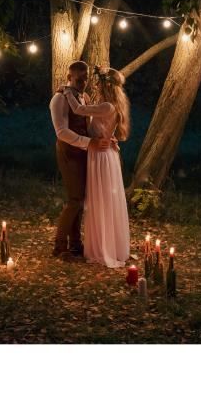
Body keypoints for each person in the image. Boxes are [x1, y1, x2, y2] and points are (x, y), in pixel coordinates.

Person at [61, 65, 130, 268]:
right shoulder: (109, 106)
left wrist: (66, 91)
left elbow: (78, 109)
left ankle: (103, 247)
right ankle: (106, 244)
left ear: (105, 86)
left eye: (98, 83)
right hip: (102, 153)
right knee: (102, 199)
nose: (96, 86)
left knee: (101, 200)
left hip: (100, 155)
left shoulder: (107, 106)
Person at [48, 61, 111, 259]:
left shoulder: (84, 98)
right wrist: (89, 142)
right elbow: (61, 132)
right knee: (74, 199)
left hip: (84, 151)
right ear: (69, 77)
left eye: (85, 80)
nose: (83, 83)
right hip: (68, 152)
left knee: (81, 199)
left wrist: (103, 138)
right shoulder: (59, 99)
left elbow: (87, 126)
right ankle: (59, 246)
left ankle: (75, 244)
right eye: (79, 80)